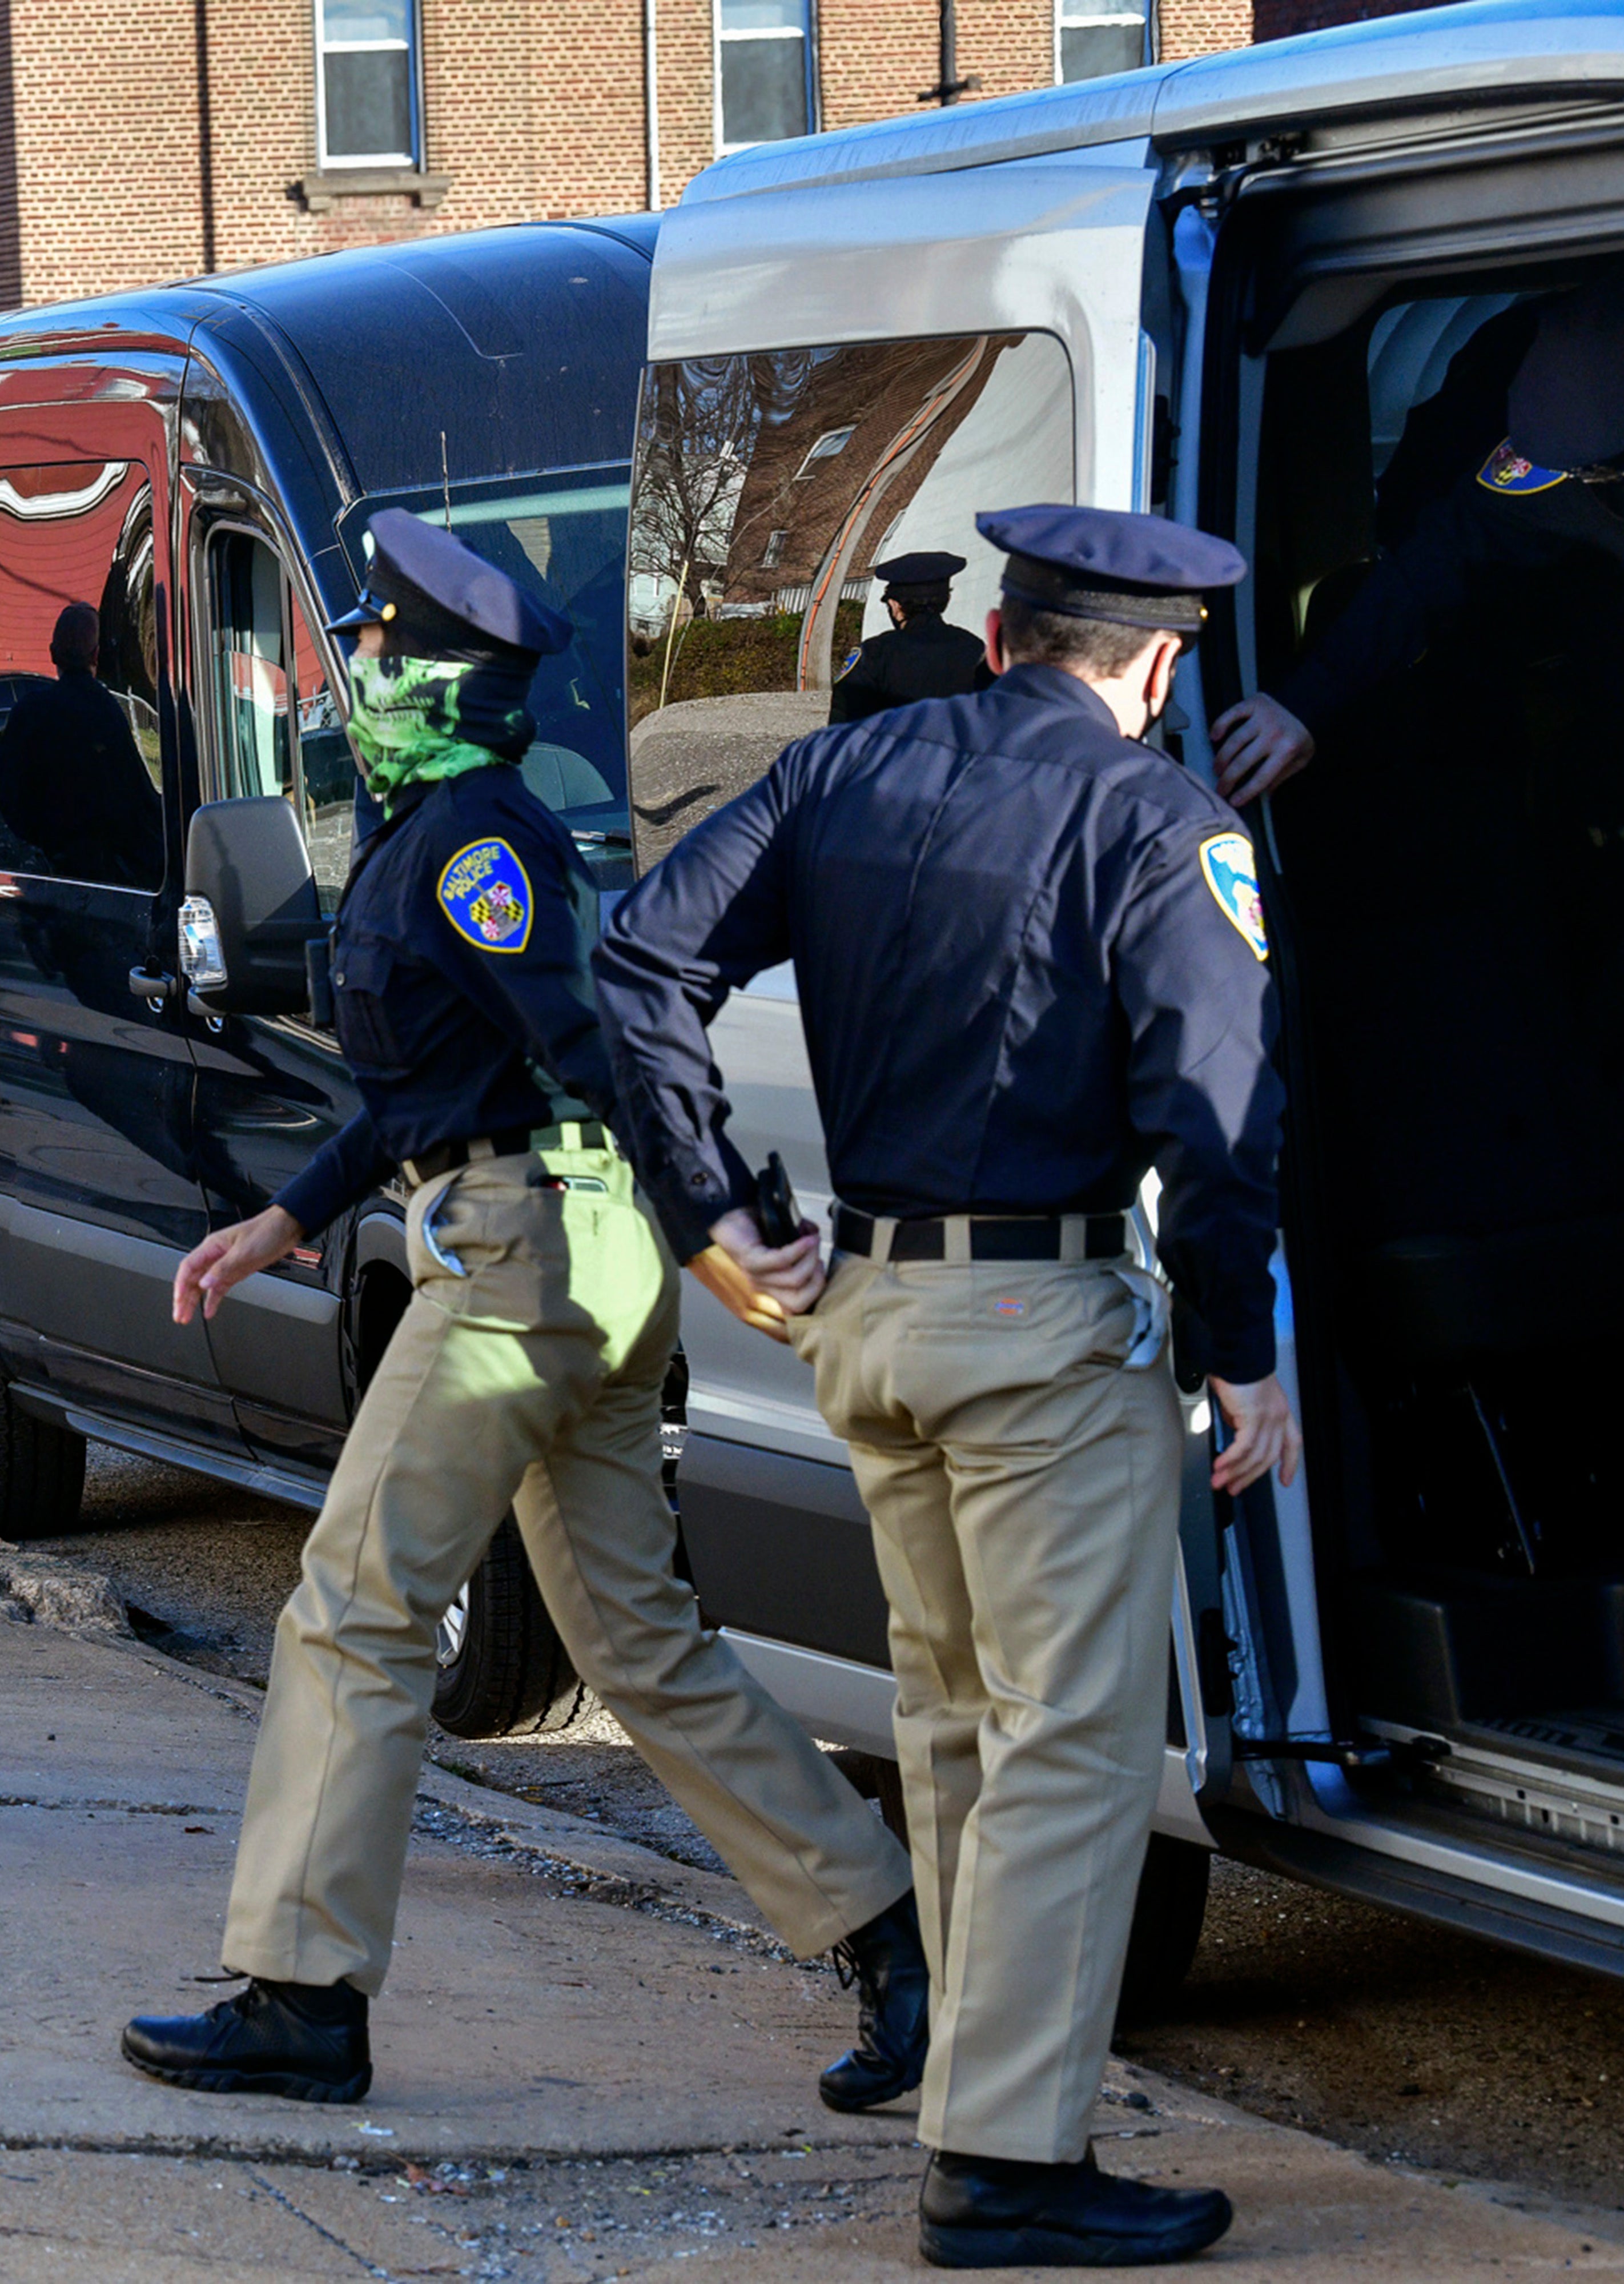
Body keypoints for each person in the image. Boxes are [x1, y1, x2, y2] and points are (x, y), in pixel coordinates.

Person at [119, 511, 928, 2120]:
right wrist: (287, 1213)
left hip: (519, 1259)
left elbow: (596, 1041)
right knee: (634, 1637)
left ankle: (303, 1994)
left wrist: (721, 1222)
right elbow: (437, 1081)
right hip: (567, 1252)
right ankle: (890, 1932)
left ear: (441, 678)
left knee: (354, 1604)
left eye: (379, 645)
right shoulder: (444, 833)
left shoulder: (476, 846)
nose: (357, 668)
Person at [595, 505, 1297, 2270]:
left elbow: (640, 958)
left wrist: (713, 1214)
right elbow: (1216, 1118)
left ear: (995, 638)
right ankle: (1004, 2158)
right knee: (1069, 1743)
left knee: (961, 1726)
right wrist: (1241, 1351)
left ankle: (975, 2110)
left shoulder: (838, 771)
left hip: (867, 1316)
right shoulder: (1159, 818)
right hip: (1039, 1331)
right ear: (1156, 664)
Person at [1214, 265, 1624, 805]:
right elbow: (1430, 568)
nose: (1583, 478)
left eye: (1601, 471)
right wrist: (1300, 705)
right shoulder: (1553, 457)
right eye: (1584, 472)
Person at [0, 602, 156, 886]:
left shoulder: (30, 712)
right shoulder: (108, 713)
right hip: (105, 877)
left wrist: (45, 842)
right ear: (96, 655)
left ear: (53, 654)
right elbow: (133, 795)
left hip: (45, 872)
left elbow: (7, 794)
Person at [827, 550, 993, 725]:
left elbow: (842, 724)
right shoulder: (974, 648)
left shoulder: (874, 654)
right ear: (947, 600)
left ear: (895, 607)